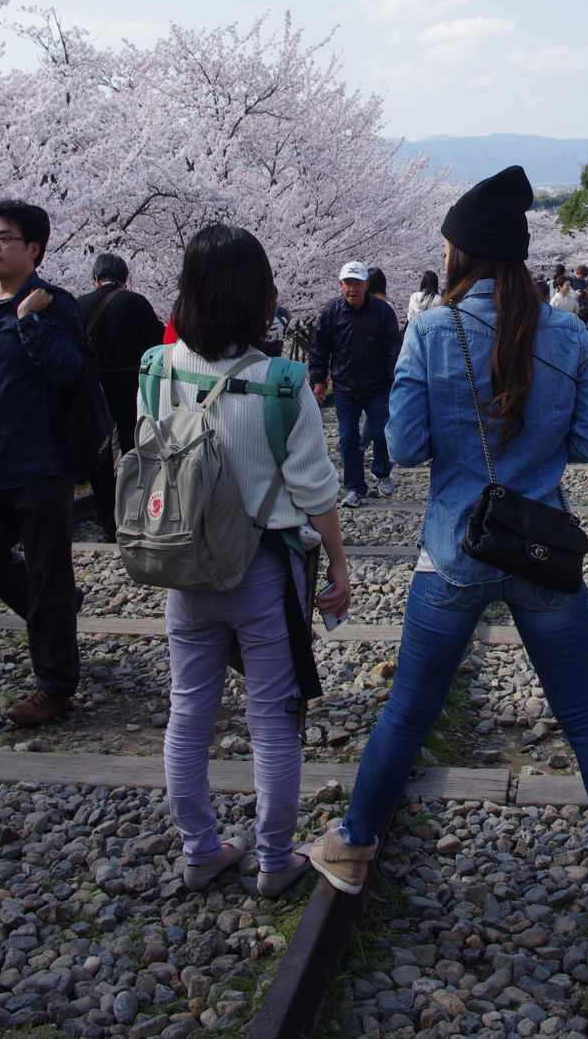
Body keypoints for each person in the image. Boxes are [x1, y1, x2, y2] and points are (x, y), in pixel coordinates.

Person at [302, 166, 588, 913]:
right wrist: (532, 451)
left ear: (464, 254)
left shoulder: (431, 329)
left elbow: (402, 449)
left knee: (408, 709)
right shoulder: (567, 329)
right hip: (539, 550)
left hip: (452, 551)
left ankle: (352, 847)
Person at [150, 223, 350, 898]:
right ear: (258, 297)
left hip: (185, 564)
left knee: (189, 710)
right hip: (264, 566)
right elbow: (316, 492)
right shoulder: (283, 384)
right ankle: (273, 858)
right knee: (272, 716)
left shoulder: (156, 369)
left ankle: (200, 849)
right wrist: (342, 571)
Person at [0, 201, 85, 725]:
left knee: (47, 572)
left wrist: (29, 321)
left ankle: (55, 685)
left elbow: (68, 371)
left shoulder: (54, 304)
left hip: (40, 462)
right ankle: (53, 617)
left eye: (5, 237)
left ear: (33, 249)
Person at [77, 253, 165, 542]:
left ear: (95, 278)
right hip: (130, 382)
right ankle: (134, 511)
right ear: (125, 277)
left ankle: (107, 519)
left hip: (94, 386)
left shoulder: (80, 304)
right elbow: (159, 343)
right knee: (133, 446)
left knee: (99, 449)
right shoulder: (136, 302)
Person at [309, 263, 403, 507]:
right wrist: (318, 380)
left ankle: (382, 472)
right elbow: (319, 348)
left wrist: (395, 380)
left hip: (377, 387)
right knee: (348, 438)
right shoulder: (331, 313)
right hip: (345, 388)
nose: (353, 288)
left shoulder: (382, 311)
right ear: (340, 285)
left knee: (382, 434)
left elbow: (394, 348)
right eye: (348, 283)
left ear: (366, 285)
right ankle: (354, 487)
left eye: (357, 283)